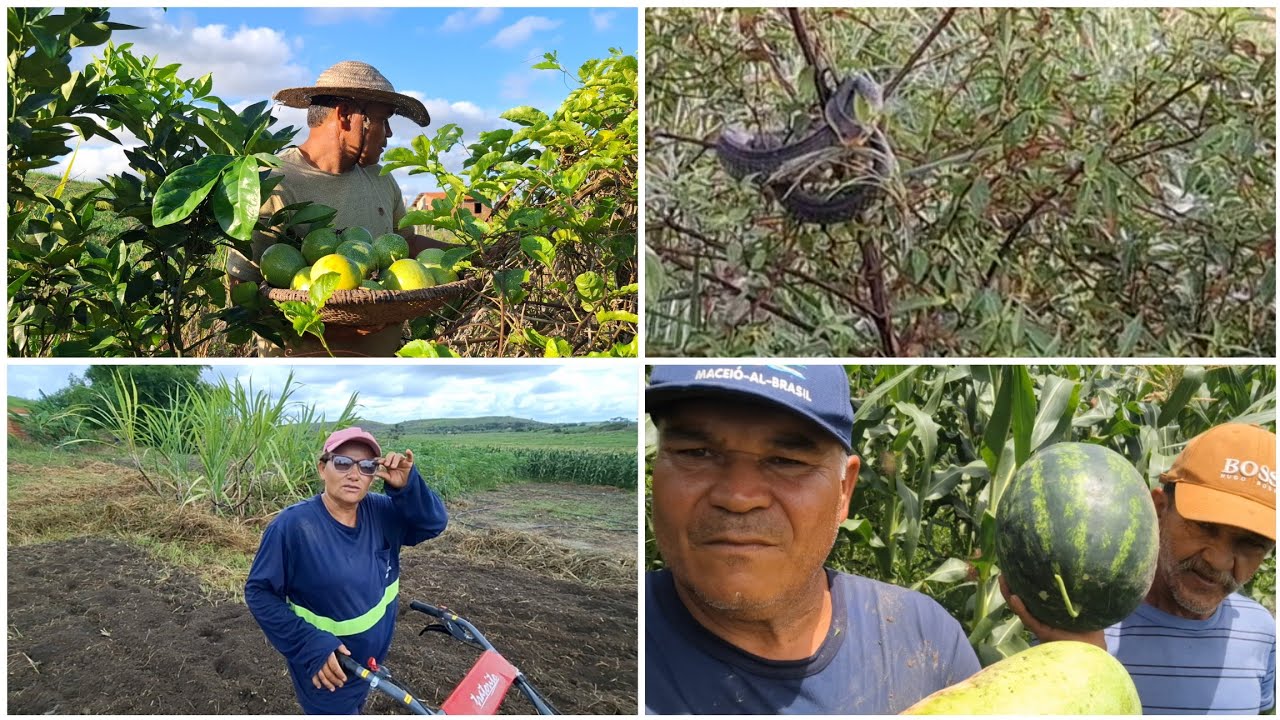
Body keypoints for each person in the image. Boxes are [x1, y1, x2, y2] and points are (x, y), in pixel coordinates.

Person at [645, 364, 980, 714]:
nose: (738, 497)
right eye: (696, 453)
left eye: (786, 461)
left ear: (844, 492)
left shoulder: (926, 639)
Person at [1003, 423, 1276, 714]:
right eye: (1205, 527)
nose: (1219, 560)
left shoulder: (1261, 632)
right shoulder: (1081, 617)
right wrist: (1083, 660)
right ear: (1159, 509)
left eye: (1251, 544)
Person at [226, 60, 451, 357]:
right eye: (383, 120)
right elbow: (244, 288)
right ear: (346, 116)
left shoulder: (381, 180)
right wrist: (341, 326)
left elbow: (405, 244)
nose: (389, 134)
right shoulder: (274, 182)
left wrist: (473, 254)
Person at [245, 426, 448, 714]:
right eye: (342, 462)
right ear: (322, 468)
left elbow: (433, 524)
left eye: (366, 466)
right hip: (328, 668)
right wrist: (309, 644)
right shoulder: (293, 527)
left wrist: (407, 488)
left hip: (370, 662)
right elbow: (259, 593)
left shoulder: (383, 512)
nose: (354, 474)